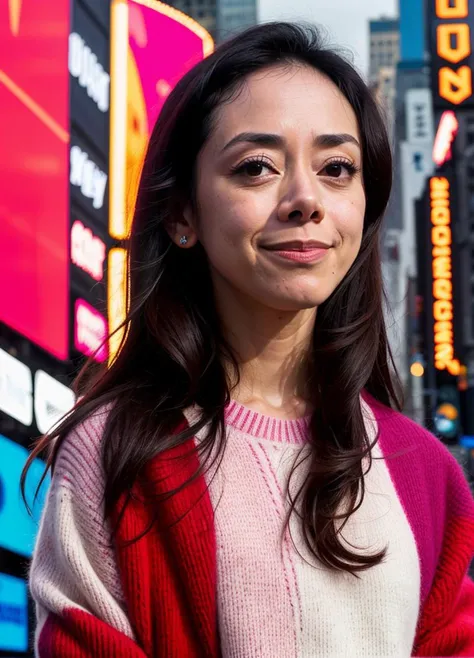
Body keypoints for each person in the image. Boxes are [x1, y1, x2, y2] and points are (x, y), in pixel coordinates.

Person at [25, 22, 474, 658]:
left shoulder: (427, 475)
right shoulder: (114, 456)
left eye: (337, 168)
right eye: (256, 166)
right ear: (183, 213)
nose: (306, 199)